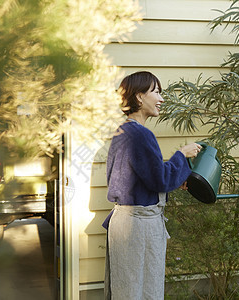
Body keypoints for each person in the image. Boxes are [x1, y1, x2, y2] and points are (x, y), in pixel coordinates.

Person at [102, 71, 201, 299]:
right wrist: (182, 155)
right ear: (139, 97)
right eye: (156, 92)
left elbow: (139, 178)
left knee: (126, 290)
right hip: (138, 227)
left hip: (125, 222)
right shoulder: (140, 134)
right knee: (141, 292)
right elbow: (161, 179)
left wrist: (176, 179)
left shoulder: (123, 131)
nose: (161, 99)